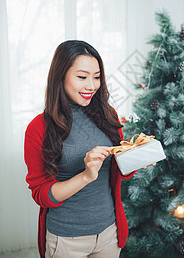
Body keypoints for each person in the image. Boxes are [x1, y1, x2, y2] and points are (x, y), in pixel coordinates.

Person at [24, 40, 137, 258]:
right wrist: (85, 176)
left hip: (108, 233)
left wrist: (135, 159)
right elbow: (42, 194)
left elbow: (118, 168)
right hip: (67, 239)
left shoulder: (108, 114)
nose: (92, 86)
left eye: (97, 77)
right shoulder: (38, 128)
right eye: (82, 77)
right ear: (61, 76)